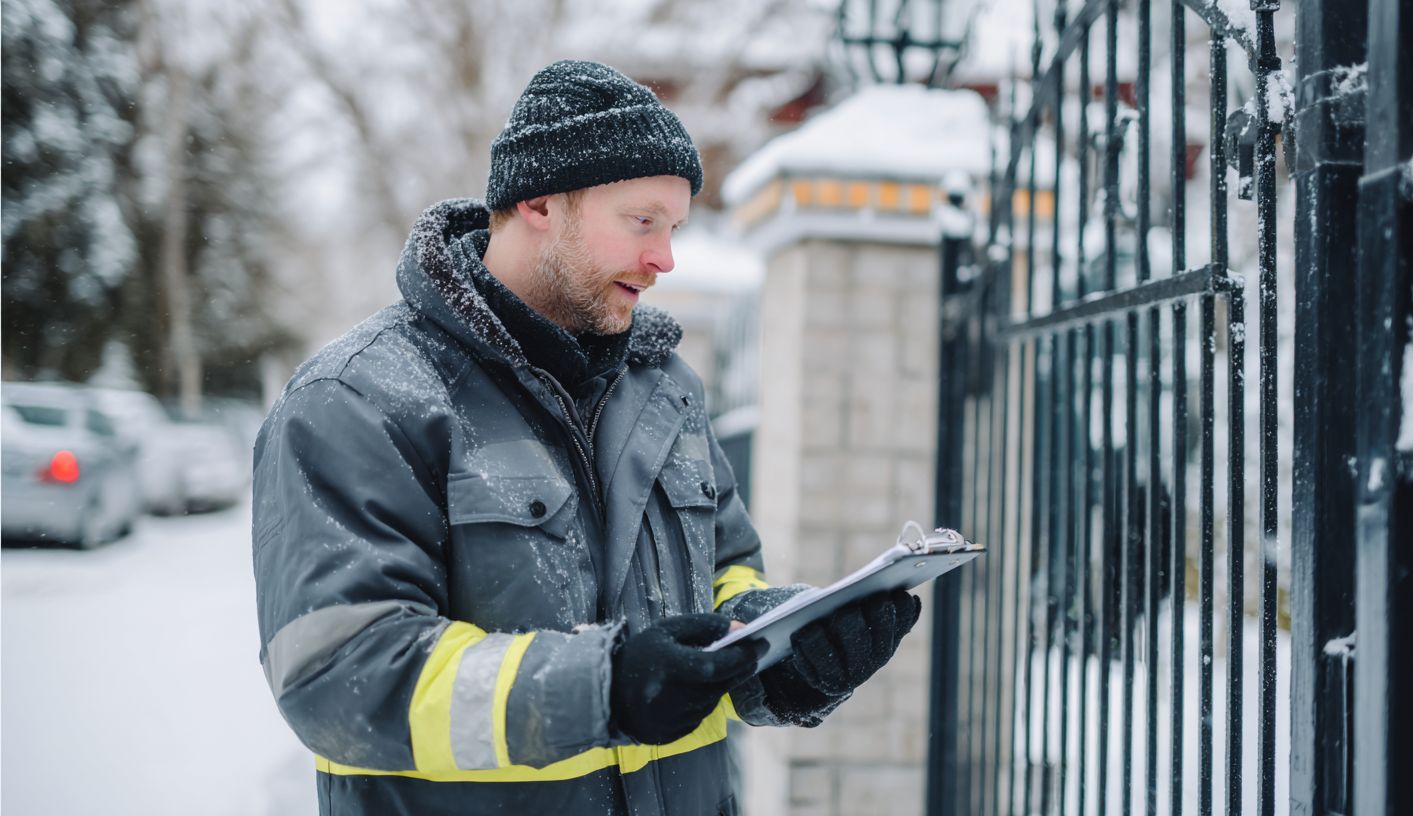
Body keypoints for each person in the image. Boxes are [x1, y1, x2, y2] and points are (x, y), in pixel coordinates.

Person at [251, 60, 921, 816]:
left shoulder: (667, 391)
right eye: (642, 222)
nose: (665, 259)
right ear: (538, 201)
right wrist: (601, 689)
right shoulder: (361, 399)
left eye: (674, 229)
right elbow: (340, 675)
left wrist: (786, 654)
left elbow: (725, 577)